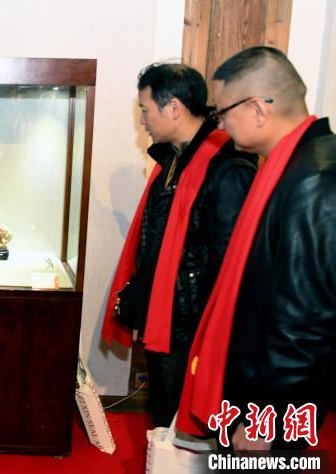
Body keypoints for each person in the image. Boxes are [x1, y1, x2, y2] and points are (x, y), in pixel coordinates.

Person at [176, 46, 336, 451]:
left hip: (270, 406)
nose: (220, 125)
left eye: (222, 113)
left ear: (257, 110)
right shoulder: (294, 164)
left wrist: (269, 419)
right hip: (256, 390)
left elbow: (306, 319)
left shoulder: (314, 179)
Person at [102, 63, 256, 427]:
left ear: (174, 108)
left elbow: (231, 264)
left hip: (193, 326)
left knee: (189, 425)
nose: (142, 120)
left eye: (145, 110)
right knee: (165, 417)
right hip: (165, 314)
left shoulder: (226, 167)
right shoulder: (170, 160)